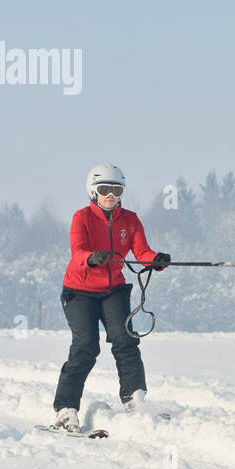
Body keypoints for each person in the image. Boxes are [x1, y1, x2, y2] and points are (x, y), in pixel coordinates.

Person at [50, 163, 170, 431]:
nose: (111, 196)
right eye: (105, 190)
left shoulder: (130, 219)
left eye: (117, 190)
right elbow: (77, 251)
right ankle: (65, 410)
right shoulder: (81, 218)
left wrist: (157, 261)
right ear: (93, 191)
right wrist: (92, 258)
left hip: (113, 290)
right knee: (86, 346)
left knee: (126, 340)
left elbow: (142, 252)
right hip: (79, 292)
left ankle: (135, 400)